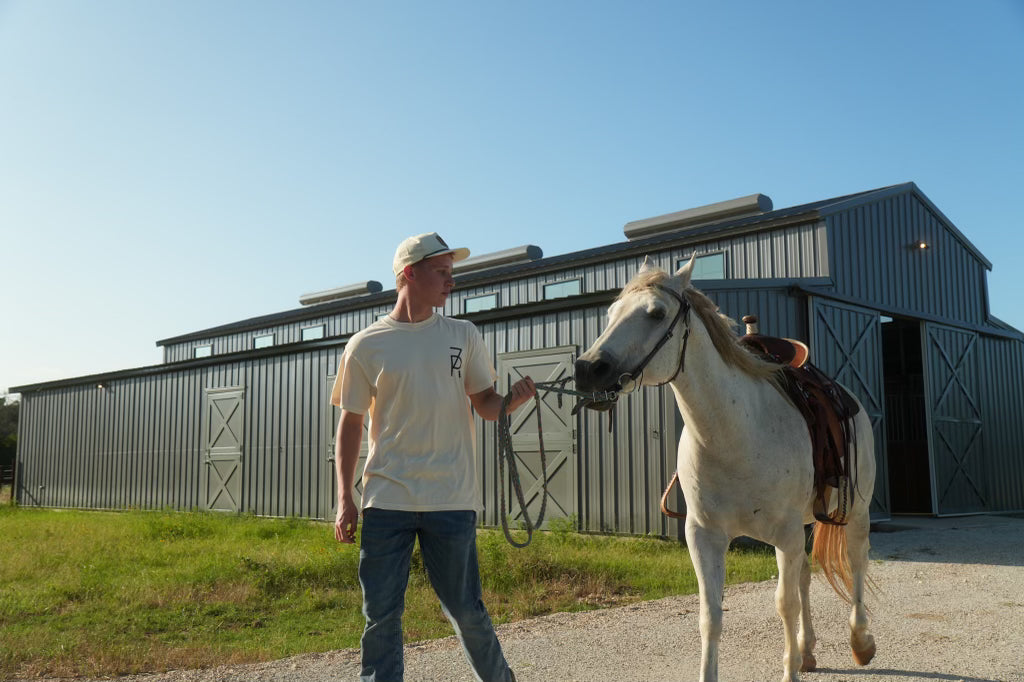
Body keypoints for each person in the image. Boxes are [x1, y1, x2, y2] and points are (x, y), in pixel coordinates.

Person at [331, 231, 536, 682]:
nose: (451, 282)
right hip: (386, 500)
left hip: (452, 498)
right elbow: (350, 424)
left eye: (451, 274)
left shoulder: (463, 334)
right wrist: (345, 497)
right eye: (441, 273)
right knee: (381, 617)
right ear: (409, 274)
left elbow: (484, 403)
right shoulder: (366, 345)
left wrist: (511, 401)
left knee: (467, 610)